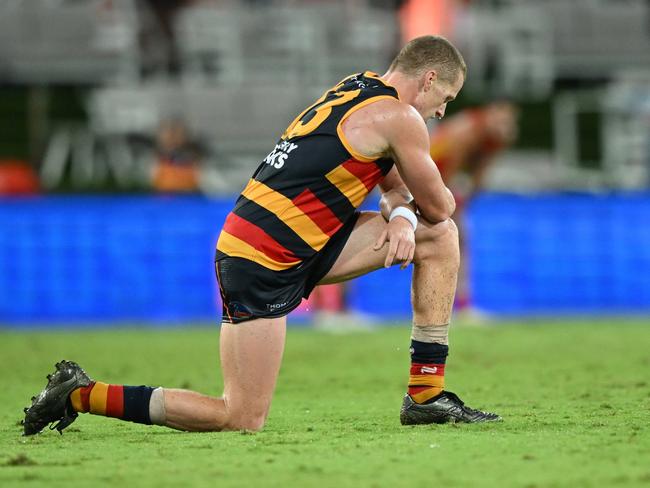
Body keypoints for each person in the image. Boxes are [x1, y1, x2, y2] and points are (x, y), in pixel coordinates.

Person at [22, 35, 500, 436]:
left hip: (280, 242)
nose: (442, 112)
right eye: (446, 99)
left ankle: (426, 395)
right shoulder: (402, 118)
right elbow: (440, 204)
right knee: (241, 417)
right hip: (264, 258)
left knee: (440, 239)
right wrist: (412, 214)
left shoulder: (359, 89)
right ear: (430, 79)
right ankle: (82, 393)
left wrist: (400, 219)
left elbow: (397, 190)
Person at [430, 101, 519, 312]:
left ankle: (461, 304)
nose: (506, 125)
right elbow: (446, 172)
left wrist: (464, 197)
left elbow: (478, 179)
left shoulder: (494, 138)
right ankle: (453, 305)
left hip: (443, 184)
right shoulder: (467, 131)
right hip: (428, 178)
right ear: (490, 113)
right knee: (452, 241)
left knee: (459, 241)